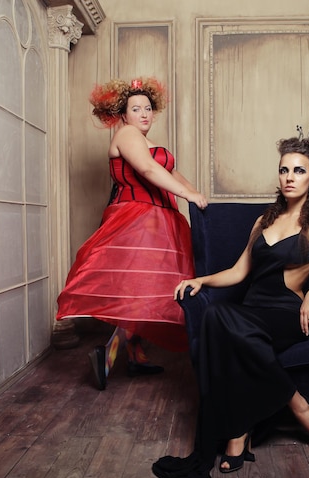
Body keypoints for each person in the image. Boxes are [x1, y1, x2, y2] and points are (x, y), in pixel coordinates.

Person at [152, 128, 309, 478]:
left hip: (285, 314)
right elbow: (239, 271)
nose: (290, 177)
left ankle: (245, 431)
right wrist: (202, 280)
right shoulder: (264, 221)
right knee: (217, 316)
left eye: (299, 171)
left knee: (223, 323)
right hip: (251, 310)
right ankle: (287, 410)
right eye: (284, 170)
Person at [56, 77, 207, 390]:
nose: (144, 114)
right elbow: (150, 171)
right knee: (141, 290)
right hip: (138, 219)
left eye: (148, 108)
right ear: (122, 115)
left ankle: (135, 356)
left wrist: (199, 196)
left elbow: (170, 172)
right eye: (136, 109)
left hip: (160, 220)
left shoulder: (146, 141)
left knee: (149, 291)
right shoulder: (126, 134)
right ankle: (108, 354)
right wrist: (188, 196)